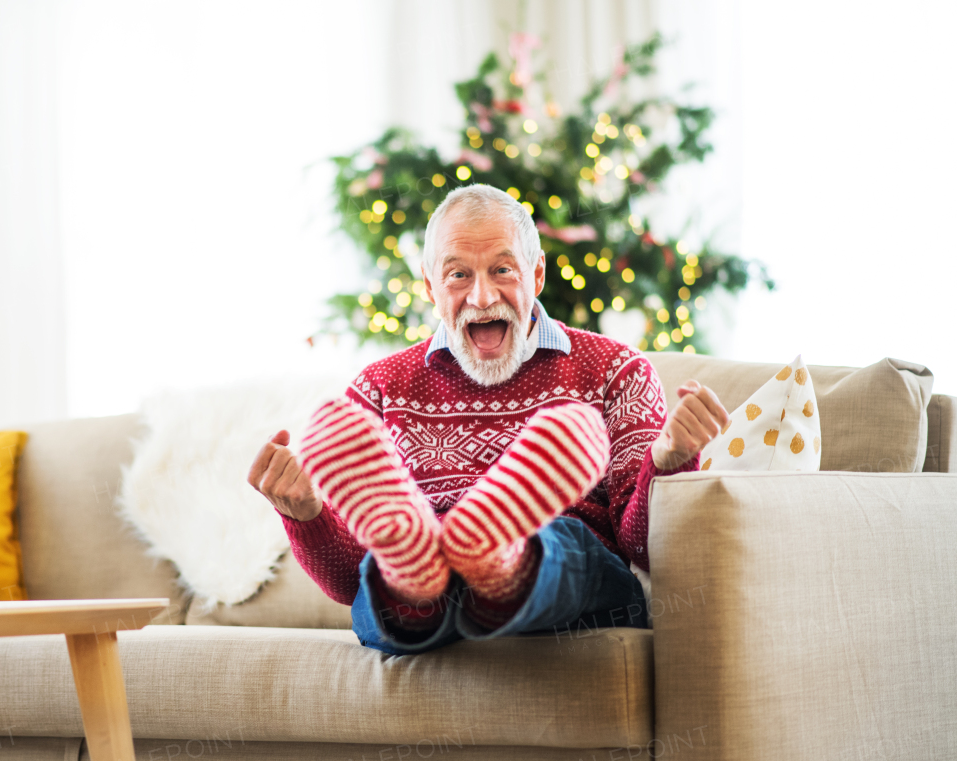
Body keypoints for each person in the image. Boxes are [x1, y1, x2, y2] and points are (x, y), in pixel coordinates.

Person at [248, 184, 728, 654]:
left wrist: (669, 461)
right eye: (458, 275)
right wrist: (306, 515)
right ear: (430, 286)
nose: (481, 298)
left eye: (502, 269)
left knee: (563, 539)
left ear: (536, 275)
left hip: (571, 590)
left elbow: (643, 548)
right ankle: (421, 570)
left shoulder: (614, 370)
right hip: (428, 610)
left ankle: (499, 557)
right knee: (382, 579)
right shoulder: (379, 389)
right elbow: (348, 581)